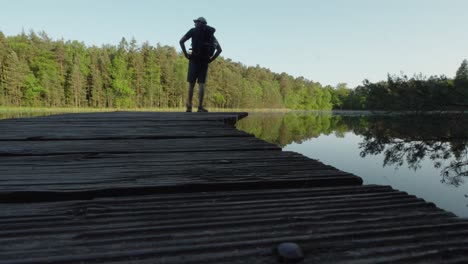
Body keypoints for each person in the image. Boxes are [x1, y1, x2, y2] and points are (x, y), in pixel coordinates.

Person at [179, 17, 222, 112]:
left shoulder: (192, 31)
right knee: (201, 84)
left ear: (199, 23)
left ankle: (189, 106)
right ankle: (200, 107)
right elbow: (219, 50)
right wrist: (211, 60)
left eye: (196, 22)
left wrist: (186, 54)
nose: (194, 24)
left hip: (194, 59)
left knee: (191, 84)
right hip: (205, 61)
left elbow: (181, 41)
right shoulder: (211, 35)